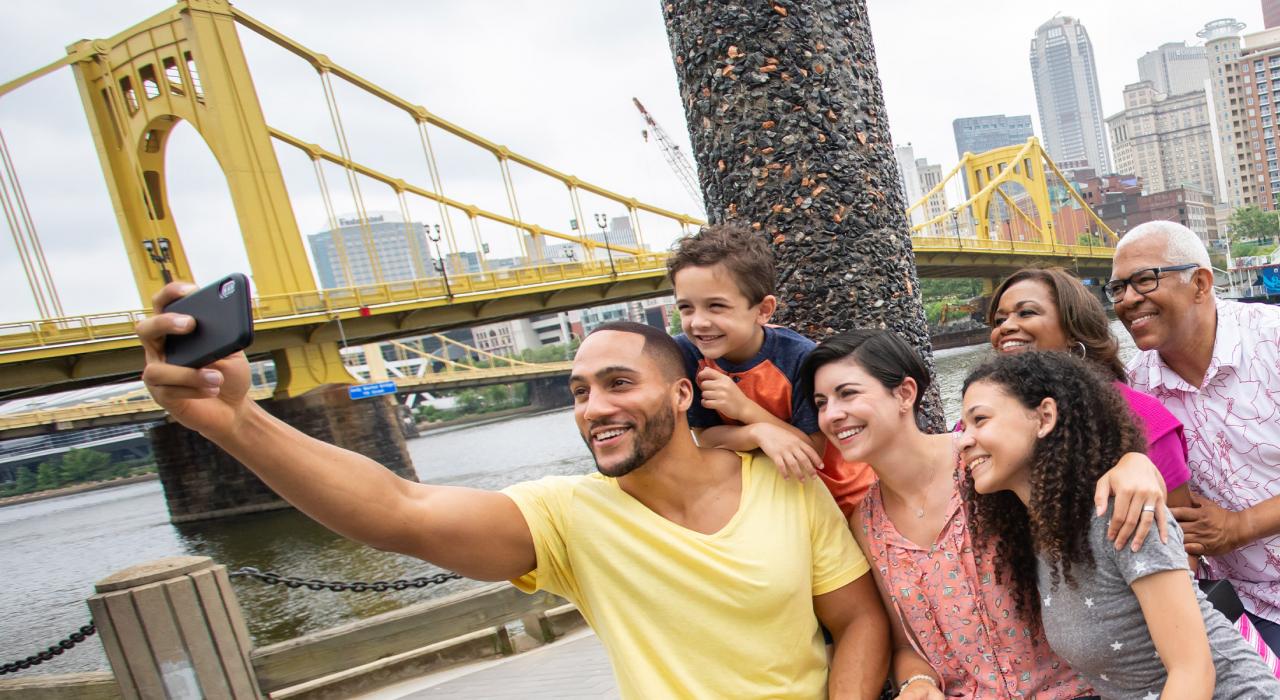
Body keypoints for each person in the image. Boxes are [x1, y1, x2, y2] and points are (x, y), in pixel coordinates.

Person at [136, 296, 890, 699]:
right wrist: (237, 420)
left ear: (684, 391)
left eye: (618, 383)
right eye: (579, 391)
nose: (593, 405)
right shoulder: (569, 516)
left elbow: (855, 620)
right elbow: (400, 510)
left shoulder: (783, 487)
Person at [799, 329, 1169, 699]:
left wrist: (1133, 462)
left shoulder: (985, 462)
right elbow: (905, 644)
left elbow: (1075, 455)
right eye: (820, 403)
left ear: (905, 393)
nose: (832, 414)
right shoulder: (865, 524)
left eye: (847, 393)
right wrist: (918, 682)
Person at [960, 350, 1280, 698]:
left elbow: (1192, 670)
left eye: (980, 420)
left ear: (1045, 417)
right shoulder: (1035, 532)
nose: (963, 440)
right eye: (963, 427)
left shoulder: (1121, 513)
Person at [1110, 220, 1280, 650]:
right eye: (1117, 289)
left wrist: (1242, 525)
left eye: (1145, 280)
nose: (1129, 300)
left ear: (1200, 283)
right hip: (1244, 605)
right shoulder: (1134, 390)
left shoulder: (1272, 339)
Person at [669, 223, 874, 515]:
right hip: (772, 501)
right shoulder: (688, 353)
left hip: (840, 494)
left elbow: (811, 451)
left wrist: (745, 410)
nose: (698, 322)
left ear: (763, 310)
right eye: (686, 308)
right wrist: (758, 433)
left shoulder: (800, 358)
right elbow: (707, 438)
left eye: (716, 306)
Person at [988, 267, 1193, 524]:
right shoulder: (984, 422)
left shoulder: (1142, 419)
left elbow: (1184, 540)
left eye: (1026, 312)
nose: (1005, 327)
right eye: (999, 321)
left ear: (1073, 329)